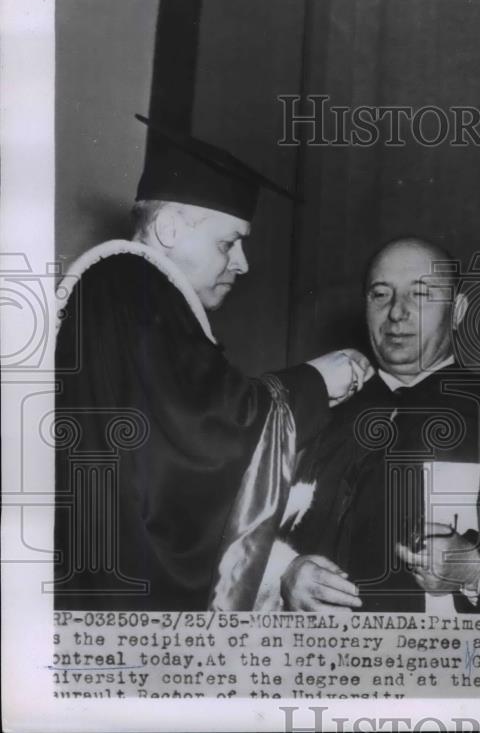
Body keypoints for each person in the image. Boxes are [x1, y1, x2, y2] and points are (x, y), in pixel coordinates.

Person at [53, 115, 372, 610]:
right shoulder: (130, 285)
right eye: (228, 242)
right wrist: (314, 383)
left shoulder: (124, 292)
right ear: (167, 228)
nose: (242, 263)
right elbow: (203, 432)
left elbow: (164, 469)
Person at [258, 237, 480, 614]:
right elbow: (246, 541)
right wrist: (285, 575)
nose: (397, 313)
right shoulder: (313, 416)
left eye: (422, 294)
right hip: (322, 661)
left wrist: (478, 571)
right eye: (380, 294)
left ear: (458, 310)